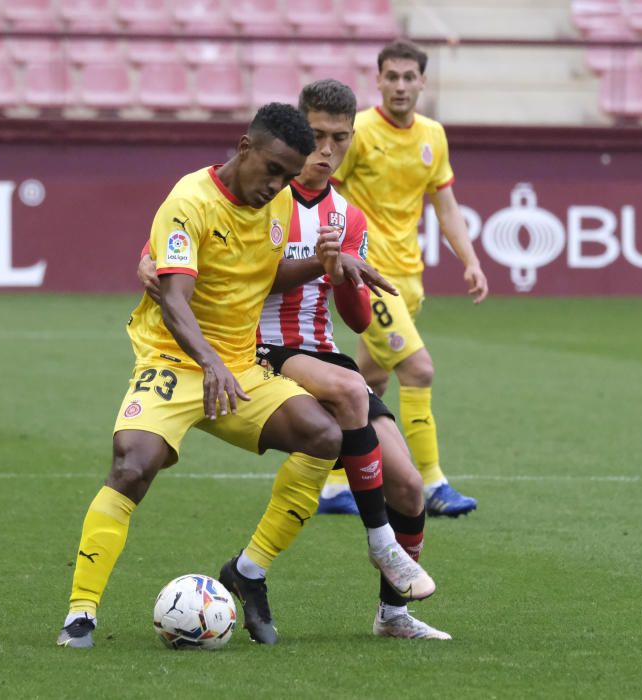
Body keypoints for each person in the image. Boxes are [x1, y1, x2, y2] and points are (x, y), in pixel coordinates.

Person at [142, 80, 452, 639]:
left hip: (323, 355)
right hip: (256, 348)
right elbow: (168, 250)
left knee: (407, 484)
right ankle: (379, 544)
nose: (327, 151)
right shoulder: (260, 193)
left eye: (342, 138)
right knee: (349, 394)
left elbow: (356, 321)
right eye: (317, 137)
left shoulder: (348, 217)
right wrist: (146, 265)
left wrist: (340, 272)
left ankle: (391, 613)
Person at [57, 103, 344, 649]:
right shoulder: (189, 202)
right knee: (132, 465)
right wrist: (208, 362)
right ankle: (81, 613)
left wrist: (320, 265)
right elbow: (174, 299)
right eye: (273, 169)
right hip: (173, 361)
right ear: (244, 148)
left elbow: (264, 274)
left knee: (323, 435)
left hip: (236, 369)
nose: (278, 185)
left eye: (288, 175)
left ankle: (249, 570)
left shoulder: (278, 202)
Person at [323, 39, 489, 518]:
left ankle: (333, 484)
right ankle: (433, 483)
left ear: (422, 82)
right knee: (418, 370)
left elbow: (446, 205)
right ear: (377, 80)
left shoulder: (433, 136)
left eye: (407, 77)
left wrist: (471, 260)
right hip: (368, 277)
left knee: (366, 382)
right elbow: (324, 194)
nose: (399, 85)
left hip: (409, 280)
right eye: (390, 76)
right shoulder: (359, 134)